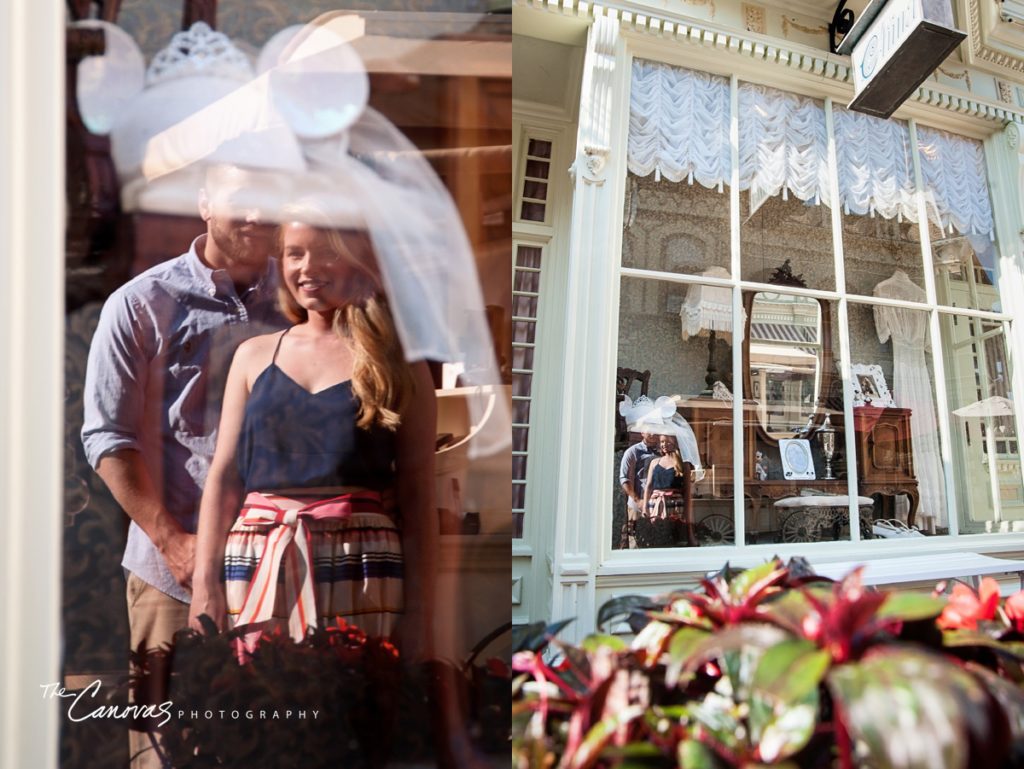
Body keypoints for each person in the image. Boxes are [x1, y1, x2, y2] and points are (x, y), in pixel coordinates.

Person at [81, 163, 288, 768]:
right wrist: (172, 542)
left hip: (279, 565)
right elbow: (106, 439)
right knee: (168, 753)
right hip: (173, 573)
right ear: (203, 202)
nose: (256, 214)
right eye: (240, 198)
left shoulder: (300, 299)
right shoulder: (141, 304)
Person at [187, 211, 436, 664]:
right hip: (258, 557)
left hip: (362, 560)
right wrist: (205, 584)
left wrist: (423, 609)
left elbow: (419, 492)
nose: (307, 267)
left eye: (324, 252)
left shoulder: (400, 361)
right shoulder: (252, 356)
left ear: (357, 260)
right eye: (293, 254)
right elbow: (222, 478)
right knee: (262, 711)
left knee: (354, 712)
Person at [641, 434, 697, 547]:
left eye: (667, 442)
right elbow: (648, 486)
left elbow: (687, 491)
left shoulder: (683, 464)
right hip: (656, 503)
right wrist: (644, 507)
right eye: (662, 442)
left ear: (675, 443)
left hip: (675, 505)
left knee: (673, 535)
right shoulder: (655, 462)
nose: (664, 444)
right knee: (657, 534)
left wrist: (687, 512)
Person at [618, 431, 659, 549]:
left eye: (654, 429)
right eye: (649, 430)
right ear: (642, 432)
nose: (653, 433)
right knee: (633, 539)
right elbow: (624, 479)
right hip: (637, 504)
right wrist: (637, 500)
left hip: (655, 504)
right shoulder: (633, 452)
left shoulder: (661, 451)